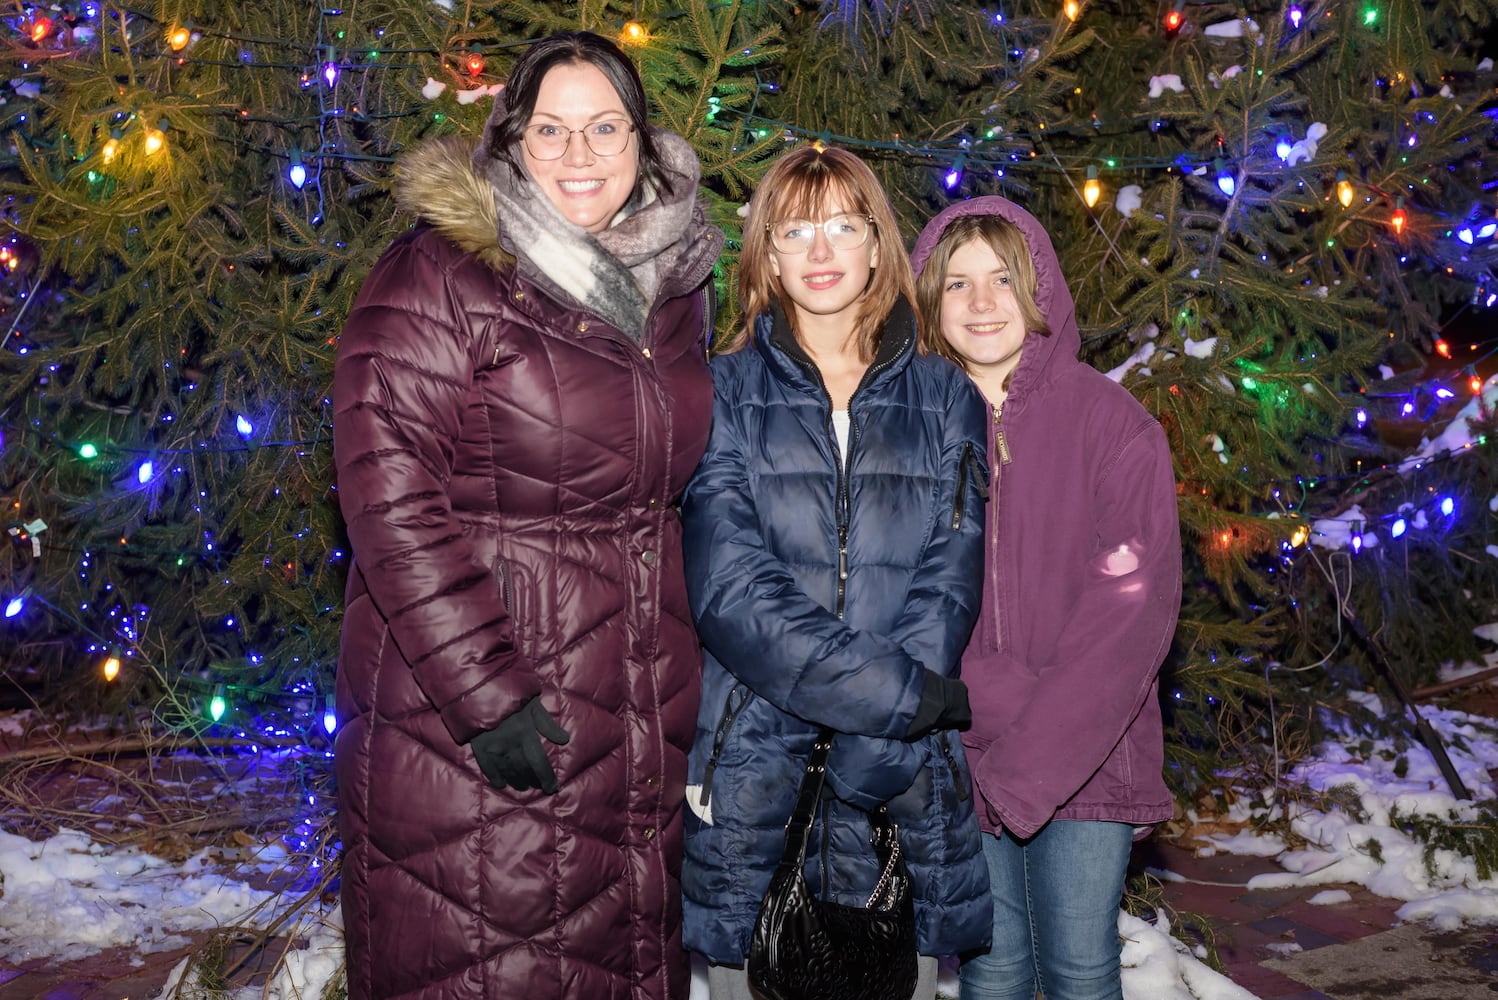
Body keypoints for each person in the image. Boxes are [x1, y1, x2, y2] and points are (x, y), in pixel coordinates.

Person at [331, 30, 723, 1000]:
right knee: (489, 960)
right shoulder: (444, 273)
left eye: (604, 127)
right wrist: (486, 693)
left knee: (615, 961)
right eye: (551, 129)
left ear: (644, 143)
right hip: (475, 715)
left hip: (631, 709)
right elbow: (386, 489)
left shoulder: (676, 285)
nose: (579, 155)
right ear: (510, 139)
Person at [679, 145, 993, 1000]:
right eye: (795, 230)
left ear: (877, 246)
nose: (820, 252)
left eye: (843, 227)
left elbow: (950, 579)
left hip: (900, 773)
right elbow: (731, 591)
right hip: (754, 760)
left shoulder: (945, 397)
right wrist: (892, 701)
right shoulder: (721, 392)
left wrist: (882, 735)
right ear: (766, 253)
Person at [910, 196, 1182, 1000]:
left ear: (1042, 289)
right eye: (957, 284)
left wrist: (1028, 758)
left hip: (1089, 751)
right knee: (990, 968)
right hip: (963, 751)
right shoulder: (912, 426)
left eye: (1003, 278)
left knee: (1078, 964)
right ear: (929, 302)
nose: (983, 303)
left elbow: (1128, 614)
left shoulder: (1112, 423)